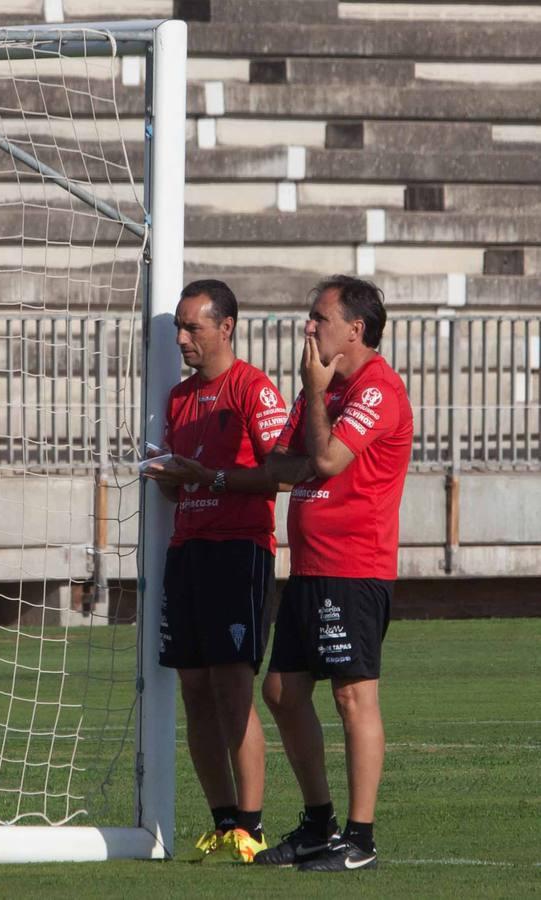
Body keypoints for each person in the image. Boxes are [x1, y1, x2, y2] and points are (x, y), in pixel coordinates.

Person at [257, 275, 412, 872]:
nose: (308, 327)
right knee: (281, 691)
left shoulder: (377, 390)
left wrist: (314, 399)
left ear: (355, 328)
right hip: (311, 566)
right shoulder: (321, 389)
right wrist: (315, 406)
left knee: (353, 696)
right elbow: (279, 465)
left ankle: (361, 839)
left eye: (319, 318)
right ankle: (318, 822)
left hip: (355, 566)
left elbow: (322, 460)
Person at [143, 279, 289, 864]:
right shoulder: (179, 400)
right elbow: (187, 486)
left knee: (233, 691)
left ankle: (250, 828)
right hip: (188, 552)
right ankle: (223, 820)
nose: (181, 338)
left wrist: (208, 476)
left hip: (239, 551)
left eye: (192, 327)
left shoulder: (253, 389)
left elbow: (281, 472)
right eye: (178, 327)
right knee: (195, 690)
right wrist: (175, 477)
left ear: (225, 326)